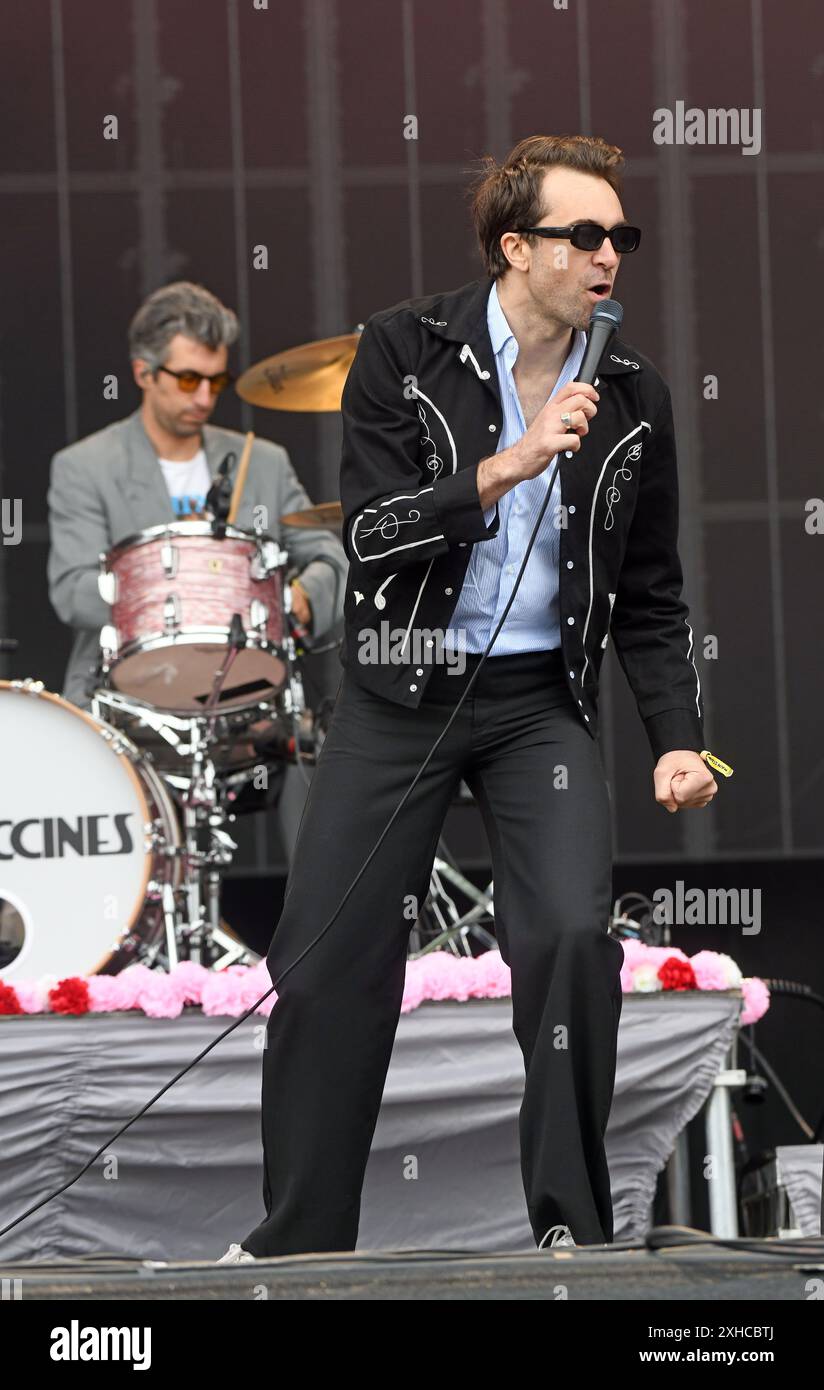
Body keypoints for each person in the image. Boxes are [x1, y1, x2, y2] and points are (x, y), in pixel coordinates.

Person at [221, 133, 718, 1263]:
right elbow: (374, 535)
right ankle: (301, 1244)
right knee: (327, 957)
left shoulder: (629, 390)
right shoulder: (403, 347)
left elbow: (649, 592)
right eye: (582, 235)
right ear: (514, 247)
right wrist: (505, 463)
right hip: (399, 690)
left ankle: (569, 1232)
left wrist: (677, 740)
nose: (608, 257)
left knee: (566, 939)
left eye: (619, 236)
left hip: (538, 701)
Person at [47, 281, 347, 858]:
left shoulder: (263, 461)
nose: (204, 396)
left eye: (217, 381)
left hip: (249, 694)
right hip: (130, 698)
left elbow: (327, 559)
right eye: (188, 379)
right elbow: (72, 590)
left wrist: (304, 596)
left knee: (329, 754)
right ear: (143, 373)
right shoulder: (85, 467)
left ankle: (334, 933)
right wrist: (179, 597)